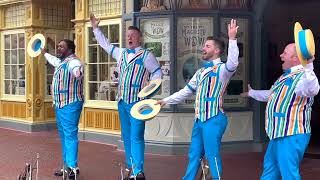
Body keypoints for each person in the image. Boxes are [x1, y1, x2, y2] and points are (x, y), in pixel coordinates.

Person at [157, 19, 239, 180]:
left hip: (214, 118)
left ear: (216, 51)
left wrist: (232, 39)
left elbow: (233, 63)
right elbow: (186, 91)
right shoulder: (201, 71)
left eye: (207, 46)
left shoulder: (223, 69)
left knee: (212, 154)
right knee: (194, 154)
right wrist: (165, 100)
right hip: (199, 119)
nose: (203, 48)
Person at [90, 14, 162, 180]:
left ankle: (138, 171)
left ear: (139, 38)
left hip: (138, 103)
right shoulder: (121, 53)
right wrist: (95, 28)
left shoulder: (147, 55)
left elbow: (157, 74)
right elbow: (105, 45)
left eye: (133, 35)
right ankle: (131, 168)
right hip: (122, 101)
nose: (129, 38)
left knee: (137, 136)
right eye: (127, 35)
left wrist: (148, 89)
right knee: (127, 136)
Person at [241, 43, 319, 179]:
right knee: (270, 170)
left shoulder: (303, 77)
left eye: (285, 53)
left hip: (292, 134)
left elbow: (313, 89)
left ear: (295, 58)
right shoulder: (284, 77)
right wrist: (252, 93)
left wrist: (309, 66)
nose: (280, 55)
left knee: (289, 174)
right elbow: (272, 95)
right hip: (277, 133)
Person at [41, 39, 84, 179]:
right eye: (58, 46)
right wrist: (45, 53)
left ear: (70, 50)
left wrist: (78, 72)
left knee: (70, 135)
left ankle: (73, 167)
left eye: (61, 47)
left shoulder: (73, 62)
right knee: (65, 137)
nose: (58, 49)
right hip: (60, 104)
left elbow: (77, 69)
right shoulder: (61, 62)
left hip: (70, 104)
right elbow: (53, 59)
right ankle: (67, 167)